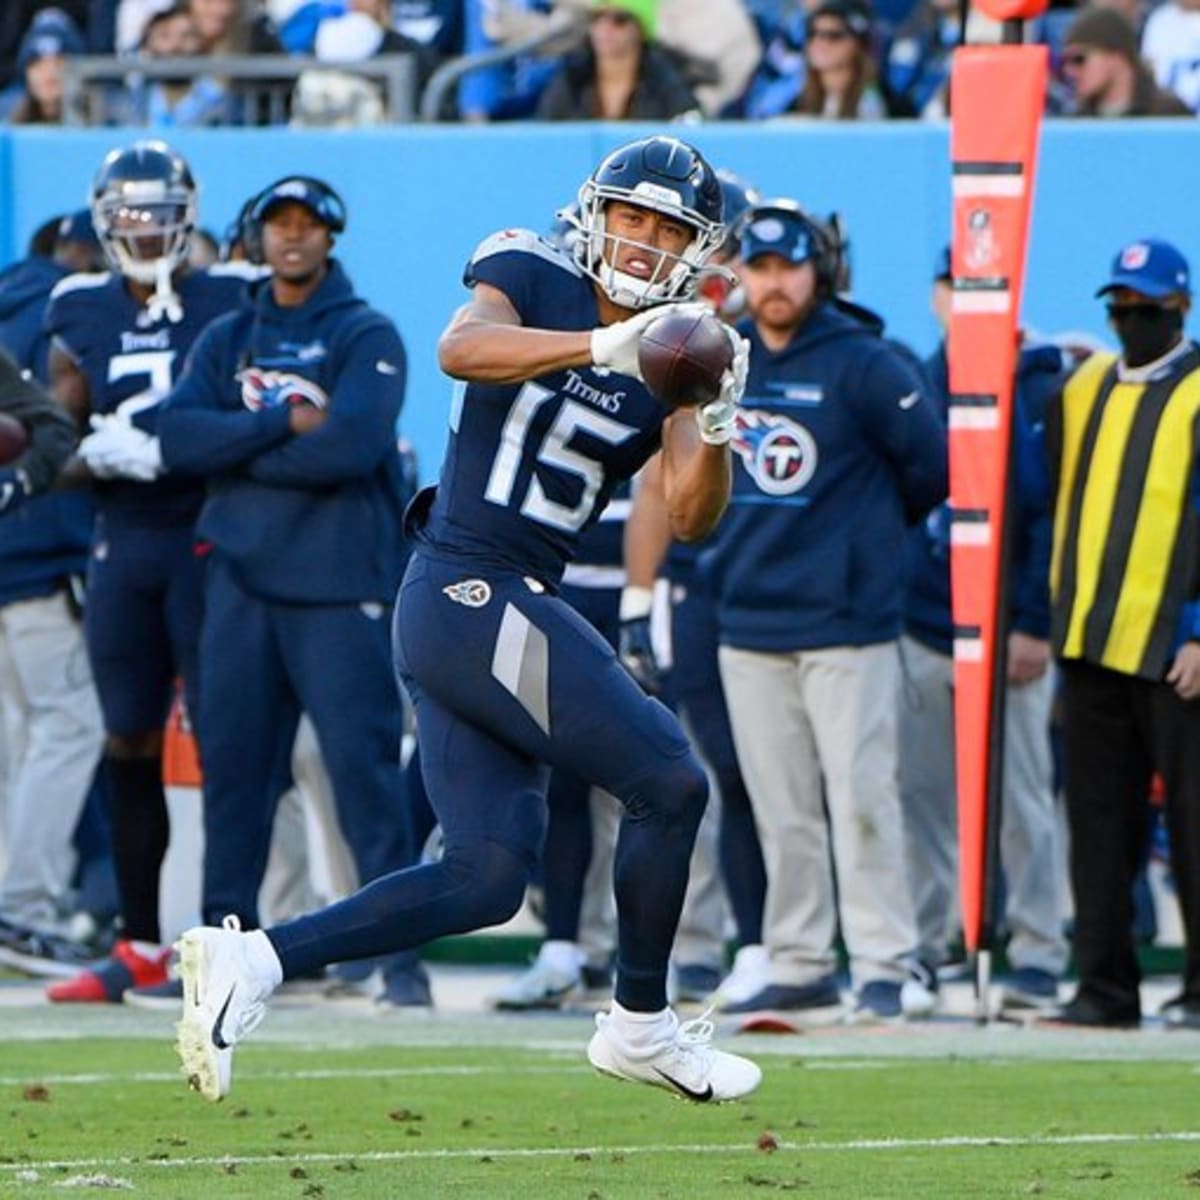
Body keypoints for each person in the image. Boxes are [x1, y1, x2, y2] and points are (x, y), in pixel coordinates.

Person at [168, 134, 760, 1106]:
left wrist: (716, 417)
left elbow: (691, 514)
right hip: (466, 585)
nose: (645, 241)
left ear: (698, 246)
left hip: (504, 599)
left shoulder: (682, 346)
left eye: (668, 228)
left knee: (485, 879)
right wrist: (602, 344)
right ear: (595, 212)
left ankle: (257, 962)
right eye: (632, 216)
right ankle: (641, 1027)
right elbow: (461, 347)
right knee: (668, 776)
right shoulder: (530, 268)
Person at [89, 174, 433, 1010]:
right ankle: (221, 961)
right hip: (239, 588)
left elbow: (352, 446)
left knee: (365, 781)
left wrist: (234, 452)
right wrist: (278, 425)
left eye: (309, 224)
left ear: (330, 237)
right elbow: (175, 435)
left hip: (337, 589)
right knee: (236, 779)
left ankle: (395, 964)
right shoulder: (229, 334)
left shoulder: (366, 331)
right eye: (278, 223)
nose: (293, 236)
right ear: (255, 237)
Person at [707, 200, 947, 1021]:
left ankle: (886, 959)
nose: (774, 285)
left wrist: (864, 548)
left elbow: (931, 470)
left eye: (789, 268)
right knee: (783, 809)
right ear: (740, 274)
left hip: (848, 625)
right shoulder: (725, 359)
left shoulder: (866, 363)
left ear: (819, 273)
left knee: (863, 798)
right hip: (749, 621)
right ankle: (801, 956)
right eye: (760, 268)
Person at [42, 140, 256, 1002]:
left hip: (210, 536)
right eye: (129, 214)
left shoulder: (233, 293)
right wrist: (94, 453)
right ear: (102, 218)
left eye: (159, 212)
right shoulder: (78, 306)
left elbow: (260, 402)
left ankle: (221, 943)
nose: (144, 229)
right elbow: (55, 439)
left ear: (188, 213)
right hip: (125, 542)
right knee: (126, 736)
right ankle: (137, 944)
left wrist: (175, 442)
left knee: (223, 739)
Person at [899, 249, 1069, 1013]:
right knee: (922, 801)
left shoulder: (1037, 385)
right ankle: (930, 946)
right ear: (937, 296)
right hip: (927, 622)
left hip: (1007, 634)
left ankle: (1036, 951)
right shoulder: (911, 380)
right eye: (955, 287)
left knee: (1023, 801)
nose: (966, 301)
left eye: (981, 288)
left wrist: (1032, 622)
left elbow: (1048, 516)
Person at [1045, 238, 1200, 1029]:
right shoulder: (1082, 388)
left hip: (1175, 646)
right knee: (1097, 828)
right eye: (1120, 307)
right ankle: (1104, 988)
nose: (1130, 319)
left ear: (1180, 308)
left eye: (1145, 308)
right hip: (1088, 637)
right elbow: (1050, 497)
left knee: (1195, 821)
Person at [536, 0, 699, 121]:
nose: (604, 28)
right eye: (597, 17)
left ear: (641, 28)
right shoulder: (571, 81)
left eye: (619, 20)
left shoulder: (667, 85)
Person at [1061, 6, 1190, 116]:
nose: (1070, 71)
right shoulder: (1079, 121)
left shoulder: (1167, 114)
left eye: (1079, 59)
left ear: (1116, 55)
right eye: (1065, 61)